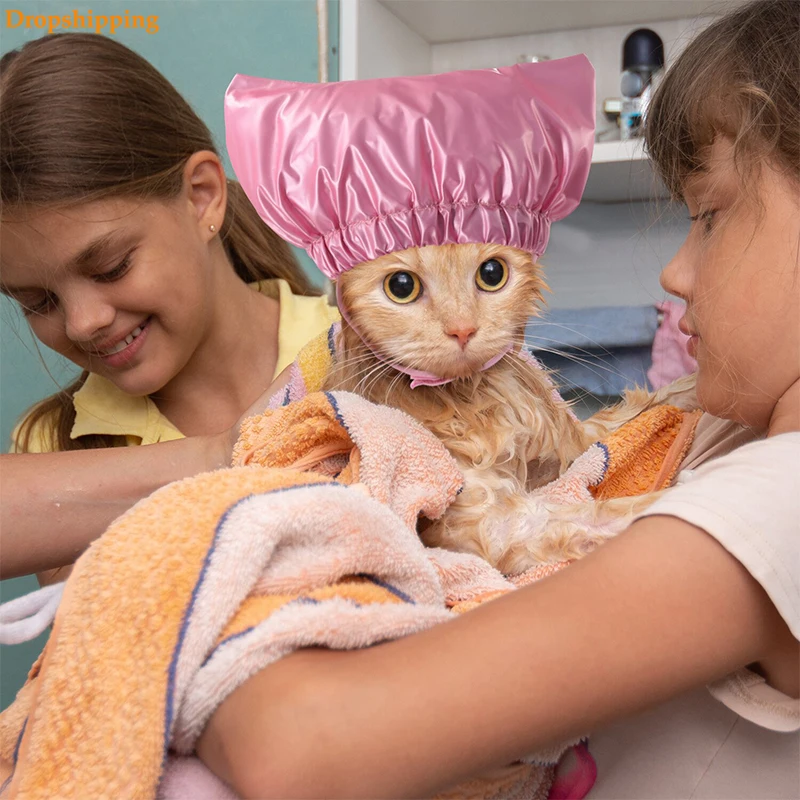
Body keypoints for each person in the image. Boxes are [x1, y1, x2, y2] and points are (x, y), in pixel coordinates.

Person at [191, 1, 799, 796]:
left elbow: (299, 748)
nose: (674, 273)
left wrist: (199, 641)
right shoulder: (718, 434)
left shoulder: (782, 500)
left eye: (707, 217)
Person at [0, 34, 338, 582]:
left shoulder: (370, 355)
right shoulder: (52, 446)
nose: (83, 321)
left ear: (201, 196)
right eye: (38, 302)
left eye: (111, 267)